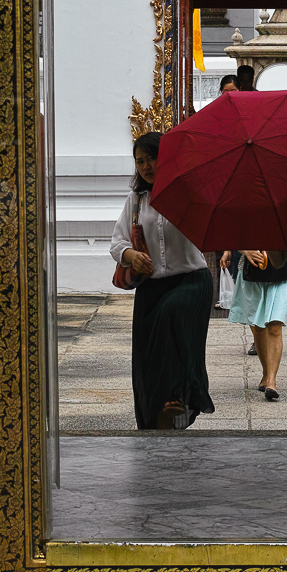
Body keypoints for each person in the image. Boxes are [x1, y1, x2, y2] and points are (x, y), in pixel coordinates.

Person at [110, 133, 214, 431]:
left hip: (191, 282)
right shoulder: (137, 200)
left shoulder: (188, 193)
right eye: (139, 161)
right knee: (149, 360)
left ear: (164, 158)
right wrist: (130, 255)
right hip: (152, 289)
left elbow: (207, 228)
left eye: (151, 158)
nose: (146, 166)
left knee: (173, 315)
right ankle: (157, 421)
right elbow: (117, 242)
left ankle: (177, 395)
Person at [220, 247, 287, 401]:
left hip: (283, 267)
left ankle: (271, 382)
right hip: (251, 268)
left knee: (275, 326)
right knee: (258, 328)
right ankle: (266, 373)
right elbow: (233, 231)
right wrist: (245, 251)